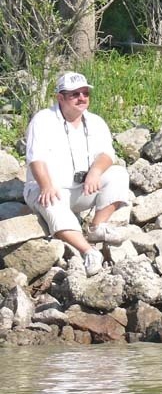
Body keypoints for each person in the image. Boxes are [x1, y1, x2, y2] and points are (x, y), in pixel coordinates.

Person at [24, 72, 131, 276]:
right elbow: (35, 159)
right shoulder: (42, 120)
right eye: (75, 94)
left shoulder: (96, 121)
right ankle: (89, 252)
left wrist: (95, 172)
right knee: (50, 200)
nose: (82, 98)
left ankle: (97, 227)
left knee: (118, 174)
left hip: (82, 188)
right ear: (60, 98)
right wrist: (46, 185)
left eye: (85, 93)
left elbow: (107, 154)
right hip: (49, 188)